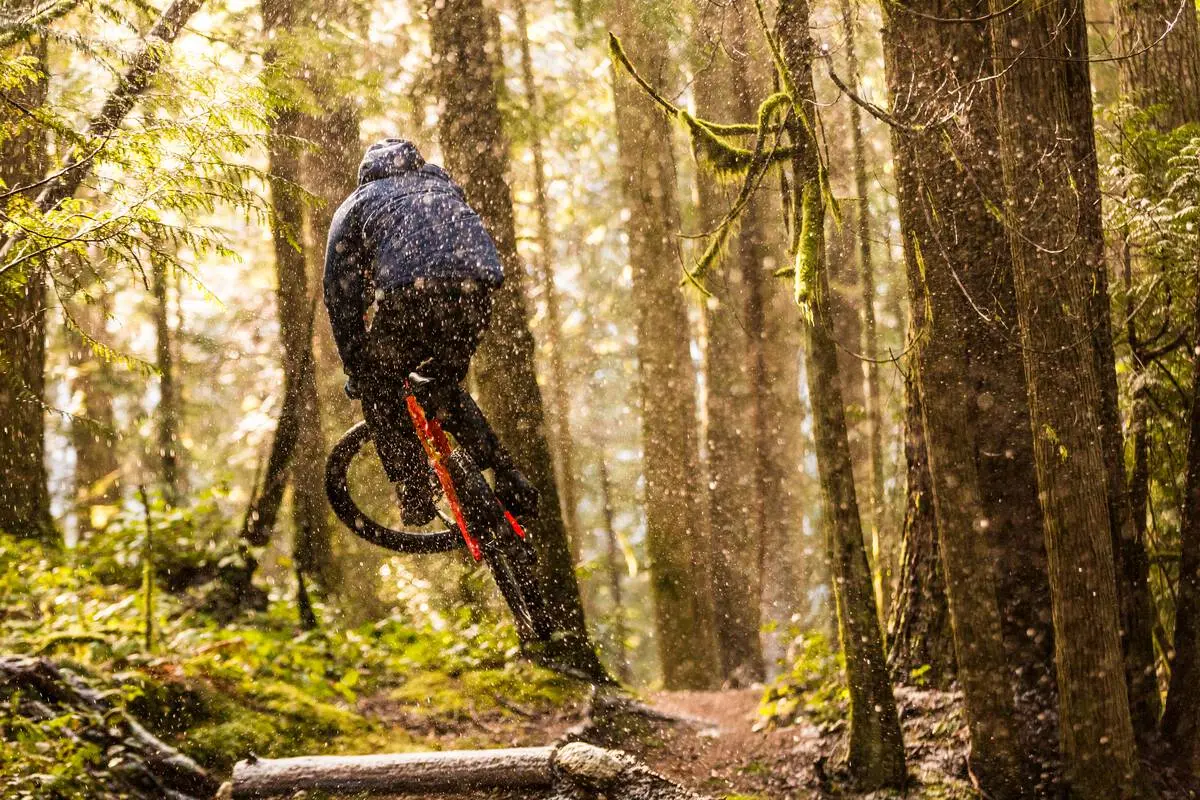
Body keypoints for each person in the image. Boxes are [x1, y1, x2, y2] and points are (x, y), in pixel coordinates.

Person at [323, 138, 537, 526]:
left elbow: (341, 300)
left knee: (378, 382)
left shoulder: (357, 205)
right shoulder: (441, 184)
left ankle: (415, 487)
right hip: (477, 289)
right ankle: (508, 475)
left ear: (366, 175)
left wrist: (358, 368)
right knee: (443, 384)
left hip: (414, 293)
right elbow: (448, 242)